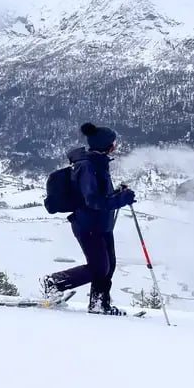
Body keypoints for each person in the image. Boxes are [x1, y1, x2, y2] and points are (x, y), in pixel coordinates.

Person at [41, 122, 136, 315]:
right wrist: (120, 200)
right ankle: (54, 282)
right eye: (114, 142)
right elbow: (92, 200)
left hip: (102, 224)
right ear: (107, 145)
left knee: (108, 267)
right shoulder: (87, 166)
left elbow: (99, 195)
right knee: (99, 267)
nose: (115, 145)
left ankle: (99, 305)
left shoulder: (98, 163)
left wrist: (117, 194)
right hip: (88, 224)